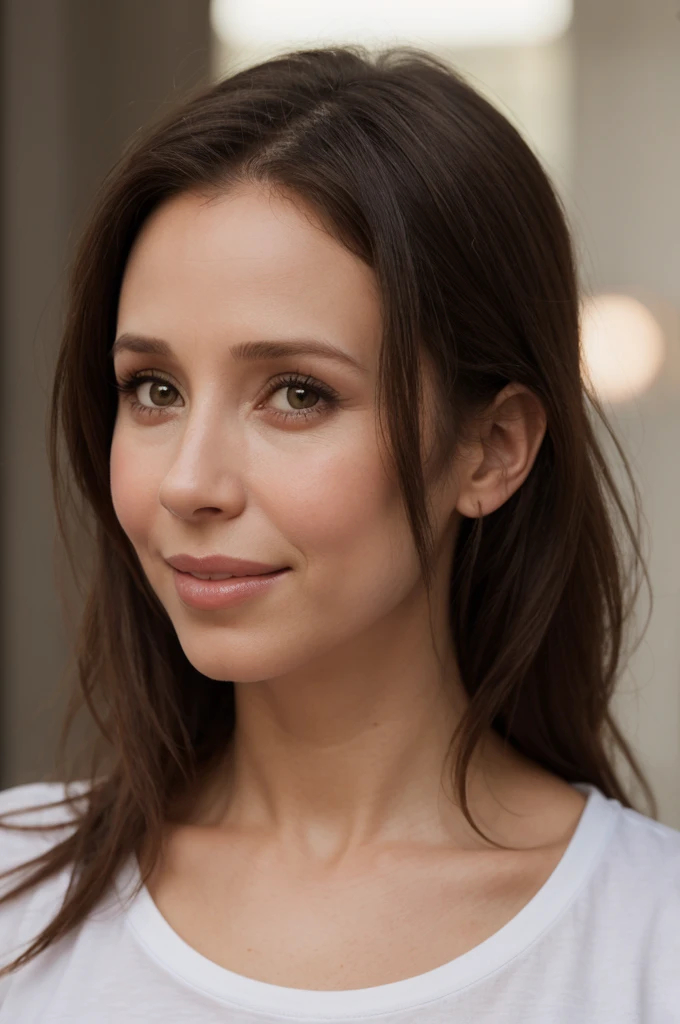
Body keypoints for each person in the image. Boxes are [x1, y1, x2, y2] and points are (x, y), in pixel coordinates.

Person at [0, 44, 678, 1022]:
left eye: (295, 393)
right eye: (153, 388)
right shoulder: (19, 897)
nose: (187, 481)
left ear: (490, 449)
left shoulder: (647, 946)